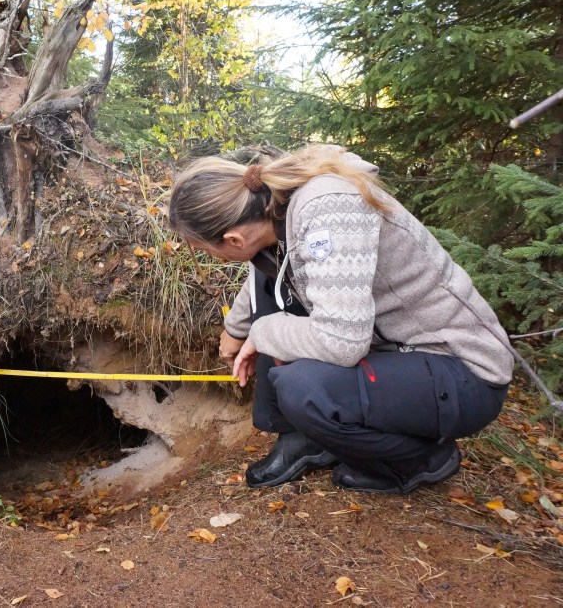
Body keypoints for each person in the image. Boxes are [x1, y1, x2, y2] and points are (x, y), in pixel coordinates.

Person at [168, 144, 513, 494]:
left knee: (303, 388)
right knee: (287, 348)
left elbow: (342, 341)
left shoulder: (328, 211)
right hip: (402, 351)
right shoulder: (279, 209)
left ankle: (419, 460)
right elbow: (269, 270)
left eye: (206, 250)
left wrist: (262, 331)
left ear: (233, 238)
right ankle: (305, 438)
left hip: (462, 369)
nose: (213, 257)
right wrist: (236, 329)